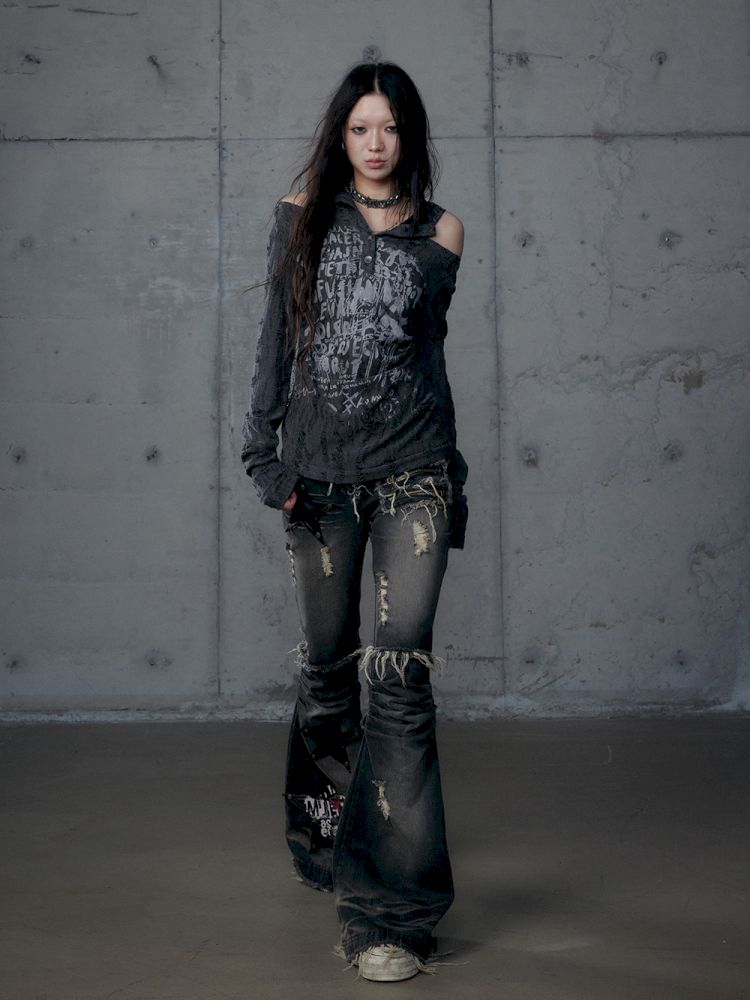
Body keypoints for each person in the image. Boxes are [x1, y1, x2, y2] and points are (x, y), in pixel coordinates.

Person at [241, 61, 468, 982]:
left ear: (410, 136)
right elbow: (277, 340)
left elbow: (427, 359)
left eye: (391, 128)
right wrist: (264, 456)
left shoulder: (441, 232)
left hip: (414, 474)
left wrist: (451, 477)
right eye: (360, 127)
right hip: (322, 482)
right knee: (330, 673)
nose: (377, 144)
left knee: (400, 679)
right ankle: (325, 826)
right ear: (342, 136)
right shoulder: (302, 215)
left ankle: (393, 916)